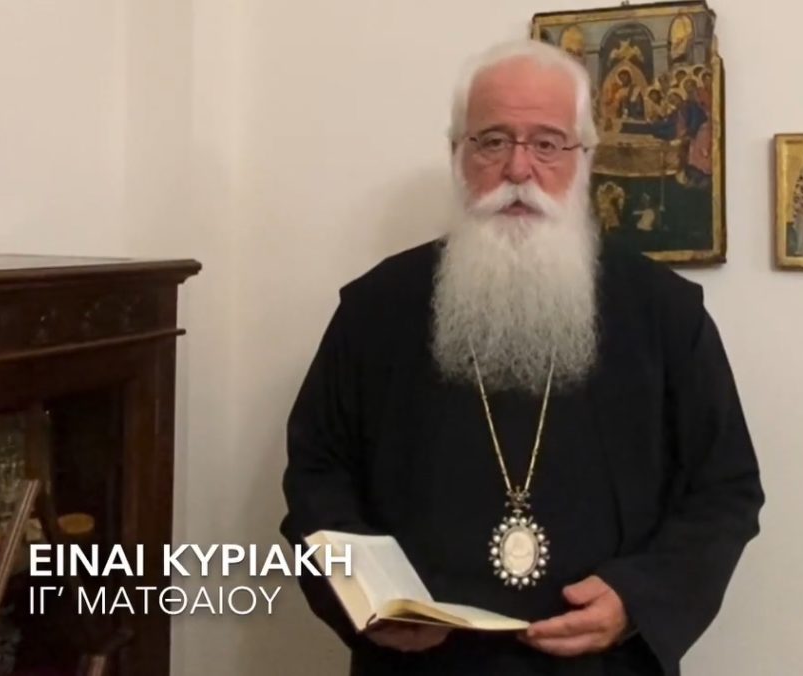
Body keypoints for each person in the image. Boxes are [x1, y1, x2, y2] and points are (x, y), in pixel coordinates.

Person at [280, 38, 764, 676]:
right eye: (492, 141)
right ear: (458, 155)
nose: (518, 169)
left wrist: (638, 598)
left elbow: (724, 489)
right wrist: (366, 597)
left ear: (584, 158)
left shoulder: (664, 313)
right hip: (422, 667)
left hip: (604, 668)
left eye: (547, 143)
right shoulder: (377, 308)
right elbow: (318, 476)